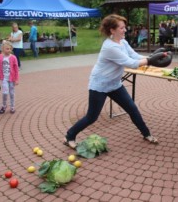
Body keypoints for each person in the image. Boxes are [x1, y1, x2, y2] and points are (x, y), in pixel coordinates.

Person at [63, 14, 172, 149]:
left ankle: (147, 134)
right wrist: (152, 60)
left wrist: (154, 56)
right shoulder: (110, 47)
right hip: (100, 85)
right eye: (121, 28)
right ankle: (69, 136)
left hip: (114, 84)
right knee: (92, 117)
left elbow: (135, 56)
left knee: (132, 109)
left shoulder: (123, 42)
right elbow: (131, 63)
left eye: (125, 27)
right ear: (112, 30)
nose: (125, 30)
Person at [0, 41, 19, 114]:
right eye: (7, 49)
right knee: (5, 92)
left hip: (12, 78)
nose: (9, 50)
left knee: (12, 93)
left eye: (10, 49)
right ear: (2, 49)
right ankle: (4, 105)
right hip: (4, 78)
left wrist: (16, 79)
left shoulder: (13, 57)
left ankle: (12, 106)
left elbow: (16, 69)